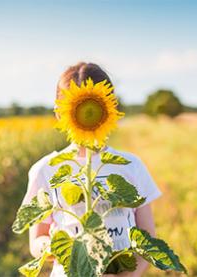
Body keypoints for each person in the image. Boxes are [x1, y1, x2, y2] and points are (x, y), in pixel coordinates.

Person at [21, 62, 162, 277]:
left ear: (110, 107)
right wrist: (58, 248)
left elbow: (148, 237)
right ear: (60, 114)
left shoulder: (131, 166)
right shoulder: (46, 169)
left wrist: (126, 276)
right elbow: (37, 240)